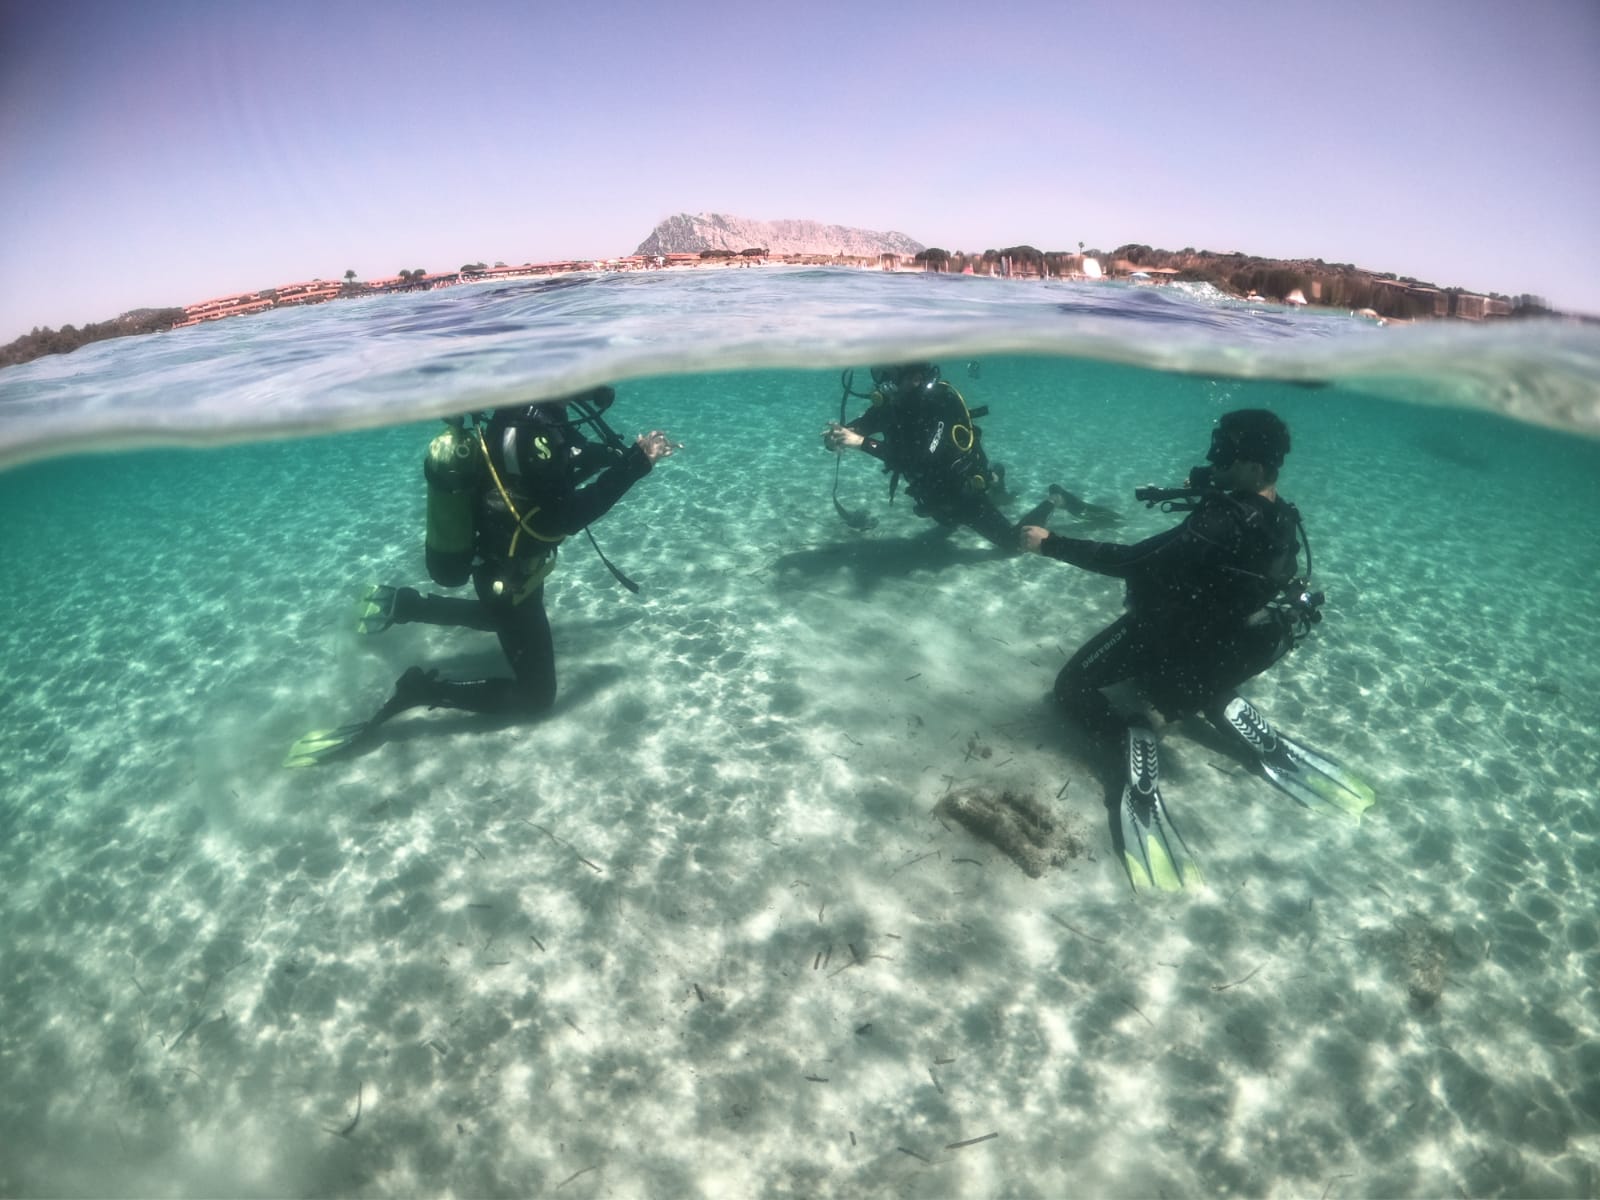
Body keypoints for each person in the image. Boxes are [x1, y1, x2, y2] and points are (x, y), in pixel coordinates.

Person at [1019, 408, 1373, 891]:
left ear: (1251, 465)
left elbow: (1133, 561)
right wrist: (1210, 483)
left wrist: (1051, 543)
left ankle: (1133, 732)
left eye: (1223, 452)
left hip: (1166, 635)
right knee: (1180, 670)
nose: (1212, 458)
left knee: (1070, 688)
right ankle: (1215, 698)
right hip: (1219, 647)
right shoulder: (1281, 517)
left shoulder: (1219, 523)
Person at [286, 387, 678, 766]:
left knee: (497, 618)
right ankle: (423, 689)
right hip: (511, 576)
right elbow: (564, 515)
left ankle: (405, 605)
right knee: (537, 698)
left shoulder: (525, 414)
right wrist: (634, 465)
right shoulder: (533, 430)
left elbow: (561, 461)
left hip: (499, 564)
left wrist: (613, 457)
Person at [822, 362, 1115, 550]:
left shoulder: (940, 403)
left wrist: (861, 443)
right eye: (878, 373)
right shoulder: (893, 403)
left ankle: (1055, 498)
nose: (881, 382)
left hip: (961, 490)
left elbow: (919, 459)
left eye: (889, 374)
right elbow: (862, 426)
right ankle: (996, 477)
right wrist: (837, 435)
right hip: (933, 492)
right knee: (947, 522)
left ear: (914, 377)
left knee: (1011, 543)